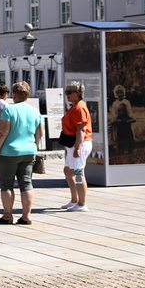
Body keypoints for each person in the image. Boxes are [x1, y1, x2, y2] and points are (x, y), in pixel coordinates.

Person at [0, 81, 43, 225]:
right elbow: (40, 132)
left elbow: (2, 132)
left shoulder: (9, 110)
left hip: (10, 152)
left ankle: (7, 216)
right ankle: (26, 216)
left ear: (14, 94)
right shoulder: (35, 111)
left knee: (7, 184)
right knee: (26, 183)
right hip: (29, 150)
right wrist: (35, 147)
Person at [60, 81, 92, 212]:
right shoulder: (75, 106)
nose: (67, 95)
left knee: (79, 173)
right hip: (73, 144)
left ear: (78, 94)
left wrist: (78, 148)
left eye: (69, 92)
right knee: (68, 171)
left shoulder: (79, 108)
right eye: (66, 92)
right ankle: (74, 200)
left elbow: (81, 130)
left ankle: (82, 203)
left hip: (79, 144)